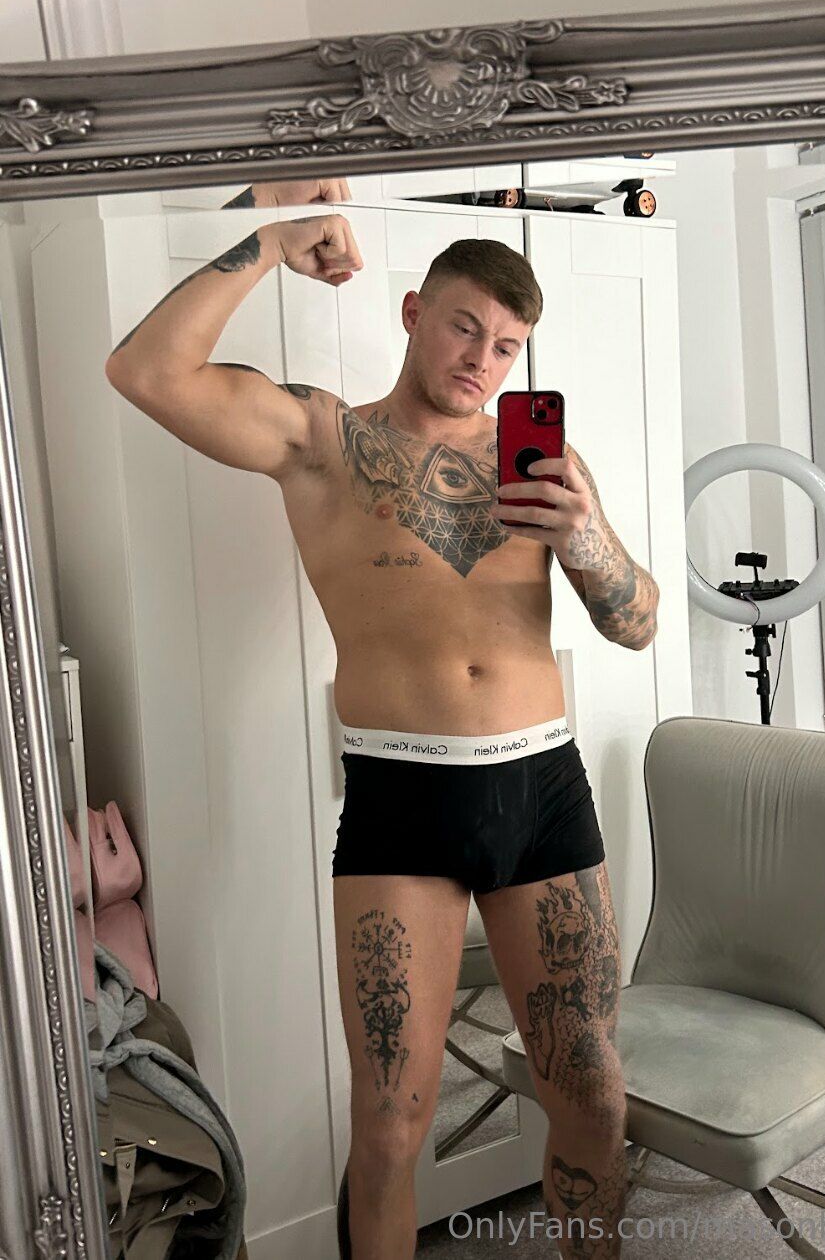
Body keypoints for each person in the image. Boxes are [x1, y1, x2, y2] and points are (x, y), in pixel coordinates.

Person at [104, 177, 660, 1260]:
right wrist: (271, 236)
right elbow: (145, 371)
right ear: (413, 312)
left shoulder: (542, 463)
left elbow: (635, 625)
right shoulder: (324, 440)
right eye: (464, 326)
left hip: (543, 790)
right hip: (404, 796)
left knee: (593, 1094)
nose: (482, 358)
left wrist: (586, 536)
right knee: (392, 1122)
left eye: (507, 345)